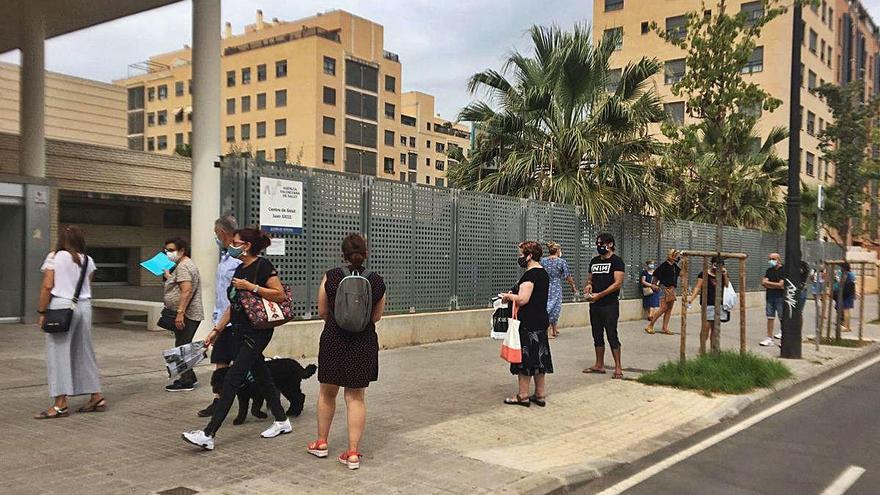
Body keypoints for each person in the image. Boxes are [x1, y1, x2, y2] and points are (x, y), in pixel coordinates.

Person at [182, 228, 291, 451]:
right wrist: (216, 330)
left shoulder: (263, 266)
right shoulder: (240, 268)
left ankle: (208, 433)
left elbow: (279, 294)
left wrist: (252, 287)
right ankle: (282, 421)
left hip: (257, 332)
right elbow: (234, 306)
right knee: (262, 376)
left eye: (236, 242)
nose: (231, 245)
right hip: (239, 330)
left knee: (232, 378)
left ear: (247, 246)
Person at [307, 234, 386, 470]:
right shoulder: (377, 281)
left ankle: (321, 443)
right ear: (366, 253)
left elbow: (322, 311)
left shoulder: (331, 277)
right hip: (363, 343)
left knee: (327, 393)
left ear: (342, 254)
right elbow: (377, 316)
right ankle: (352, 453)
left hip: (333, 339)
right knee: (355, 398)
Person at [34, 225, 106, 418]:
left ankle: (60, 403)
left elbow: (47, 286)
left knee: (58, 354)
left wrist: (42, 311)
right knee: (84, 351)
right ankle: (96, 396)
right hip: (83, 306)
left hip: (61, 306)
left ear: (61, 240)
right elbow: (86, 286)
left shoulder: (54, 257)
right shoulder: (88, 260)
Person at [198, 215, 242, 417]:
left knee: (246, 365)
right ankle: (218, 400)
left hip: (237, 321)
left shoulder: (239, 256)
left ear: (222, 233)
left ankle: (267, 400)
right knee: (221, 361)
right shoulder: (224, 256)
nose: (216, 238)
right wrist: (217, 323)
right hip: (223, 320)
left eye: (217, 234)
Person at [500, 241, 553, 408]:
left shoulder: (530, 275)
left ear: (529, 256)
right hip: (540, 321)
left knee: (525, 359)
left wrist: (508, 297)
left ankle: (522, 395)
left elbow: (523, 299)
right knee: (539, 359)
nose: (520, 257)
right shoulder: (543, 273)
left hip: (527, 323)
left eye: (521, 254)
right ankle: (540, 394)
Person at [162, 237, 204, 392]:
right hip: (189, 313)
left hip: (188, 314)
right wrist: (168, 277)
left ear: (181, 250)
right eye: (166, 250)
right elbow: (181, 284)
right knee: (183, 346)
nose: (168, 253)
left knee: (181, 347)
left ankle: (186, 381)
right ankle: (189, 377)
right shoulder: (184, 265)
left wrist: (180, 313)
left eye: (171, 250)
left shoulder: (183, 266)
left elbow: (186, 291)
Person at [583, 233, 626, 379]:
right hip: (594, 304)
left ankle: (618, 367)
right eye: (597, 244)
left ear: (611, 244)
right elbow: (590, 279)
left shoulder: (617, 261)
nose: (599, 247)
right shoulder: (594, 261)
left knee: (612, 334)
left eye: (602, 244)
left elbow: (617, 283)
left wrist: (600, 294)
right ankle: (599, 364)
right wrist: (589, 286)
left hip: (610, 304)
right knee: (597, 334)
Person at [687, 256, 730, 353]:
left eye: (720, 265)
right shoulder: (704, 274)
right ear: (712, 264)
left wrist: (725, 274)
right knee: (706, 327)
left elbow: (727, 285)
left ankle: (713, 349)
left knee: (715, 329)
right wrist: (691, 299)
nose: (717, 267)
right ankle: (702, 348)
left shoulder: (722, 274)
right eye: (716, 265)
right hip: (708, 303)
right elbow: (698, 287)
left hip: (720, 304)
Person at [541, 242, 578, 339]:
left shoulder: (543, 261)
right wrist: (573, 287)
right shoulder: (562, 262)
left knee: (548, 305)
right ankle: (548, 331)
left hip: (545, 286)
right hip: (556, 287)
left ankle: (554, 329)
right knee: (554, 307)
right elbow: (567, 276)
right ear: (558, 251)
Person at [645, 249, 681, 335]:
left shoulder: (674, 266)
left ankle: (665, 328)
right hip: (664, 288)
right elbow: (656, 275)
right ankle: (650, 325)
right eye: (675, 255)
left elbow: (681, 273)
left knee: (669, 309)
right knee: (663, 308)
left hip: (672, 289)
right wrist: (654, 285)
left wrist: (684, 263)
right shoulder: (664, 266)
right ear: (671, 256)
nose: (677, 257)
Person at [760, 252, 785, 346]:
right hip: (770, 296)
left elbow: (781, 285)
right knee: (770, 317)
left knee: (782, 317)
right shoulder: (769, 270)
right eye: (770, 259)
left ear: (778, 260)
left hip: (780, 296)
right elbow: (763, 282)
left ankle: (784, 337)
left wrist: (769, 284)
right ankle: (769, 338)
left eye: (773, 259)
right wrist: (775, 285)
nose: (771, 261)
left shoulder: (784, 270)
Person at [834, 262, 856, 332]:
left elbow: (842, 283)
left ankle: (846, 326)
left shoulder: (846, 274)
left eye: (841, 267)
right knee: (847, 310)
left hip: (846, 294)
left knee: (846, 310)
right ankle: (847, 326)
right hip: (850, 293)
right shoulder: (852, 274)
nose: (840, 269)